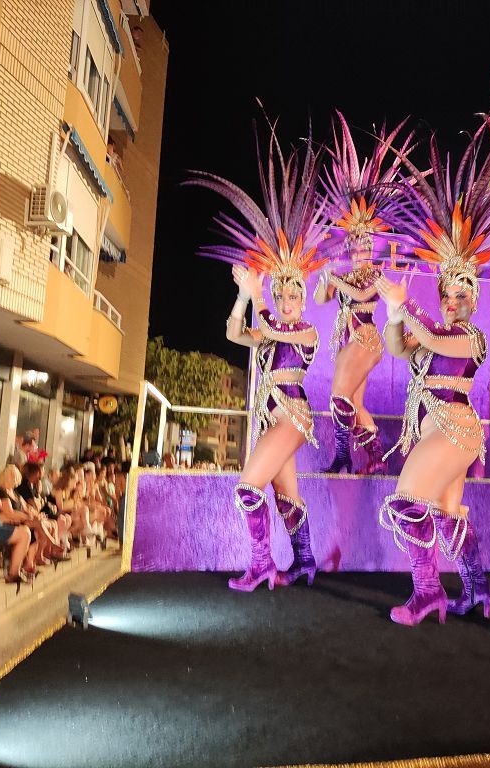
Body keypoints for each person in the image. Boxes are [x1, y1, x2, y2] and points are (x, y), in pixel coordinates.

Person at [374, 113, 490, 626]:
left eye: (462, 294)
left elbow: (429, 335)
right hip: (439, 429)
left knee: (406, 498)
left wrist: (406, 304)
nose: (453, 300)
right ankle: (478, 590)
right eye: (448, 293)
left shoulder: (468, 336)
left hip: (456, 429)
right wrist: (393, 313)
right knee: (447, 516)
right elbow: (399, 348)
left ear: (472, 301)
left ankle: (428, 592)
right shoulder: (430, 339)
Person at [187, 129, 340, 592]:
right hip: (272, 418)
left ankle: (261, 566)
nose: (291, 299)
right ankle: (306, 560)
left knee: (248, 488)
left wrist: (259, 298)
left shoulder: (306, 330)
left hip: (292, 416)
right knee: (286, 495)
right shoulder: (269, 328)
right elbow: (235, 333)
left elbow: (272, 328)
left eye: (296, 293)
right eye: (284, 292)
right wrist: (242, 296)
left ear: (302, 300)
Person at [315, 113, 411, 476]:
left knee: (339, 398)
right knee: (352, 403)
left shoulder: (373, 274)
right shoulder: (346, 272)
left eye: (366, 244)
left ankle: (342, 457)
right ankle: (373, 460)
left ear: (372, 246)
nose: (360, 249)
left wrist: (335, 280)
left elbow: (363, 291)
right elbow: (322, 300)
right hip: (347, 341)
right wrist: (325, 280)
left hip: (367, 338)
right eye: (355, 244)